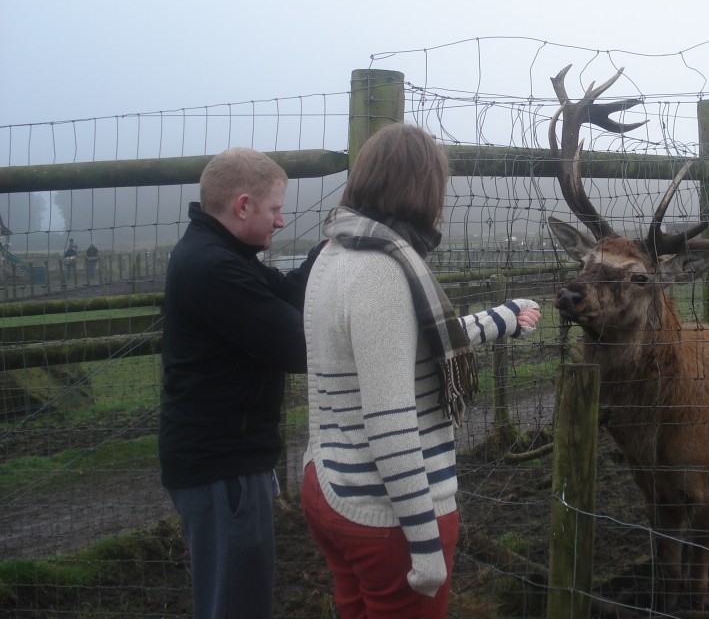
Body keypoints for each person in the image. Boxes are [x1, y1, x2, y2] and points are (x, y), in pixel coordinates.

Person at [301, 123, 541, 618]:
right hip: (385, 511)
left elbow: (407, 340)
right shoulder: (383, 271)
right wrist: (425, 544)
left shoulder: (335, 252)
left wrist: (502, 319)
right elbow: (390, 423)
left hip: (329, 485)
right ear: (421, 188)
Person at [158, 147, 324, 619]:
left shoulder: (221, 254)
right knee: (234, 604)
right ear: (243, 205)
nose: (280, 221)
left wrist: (329, 247)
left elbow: (285, 295)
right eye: (274, 209)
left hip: (223, 464)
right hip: (222, 470)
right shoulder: (215, 267)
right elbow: (295, 343)